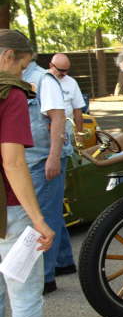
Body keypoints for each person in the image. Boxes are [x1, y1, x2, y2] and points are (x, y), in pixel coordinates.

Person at [0, 29, 65, 317]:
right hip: (8, 208)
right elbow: (12, 162)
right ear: (10, 56)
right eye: (24, 65)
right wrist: (39, 221)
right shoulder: (9, 93)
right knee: (24, 295)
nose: (26, 73)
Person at [22, 52, 70, 294]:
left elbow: (57, 118)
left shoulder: (42, 80)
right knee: (51, 211)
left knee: (44, 217)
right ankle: (64, 261)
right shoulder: (20, 79)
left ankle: (45, 278)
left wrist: (53, 157)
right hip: (31, 159)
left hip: (42, 159)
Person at [47, 54, 85, 277]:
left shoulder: (71, 83)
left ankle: (58, 264)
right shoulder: (44, 81)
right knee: (53, 203)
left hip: (66, 139)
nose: (63, 75)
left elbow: (77, 109)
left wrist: (79, 135)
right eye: (60, 71)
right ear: (50, 66)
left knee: (53, 202)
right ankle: (63, 261)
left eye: (66, 71)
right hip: (55, 140)